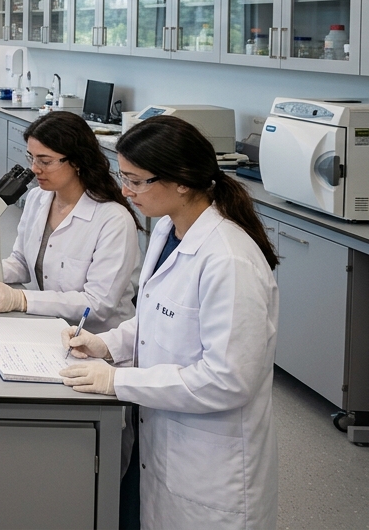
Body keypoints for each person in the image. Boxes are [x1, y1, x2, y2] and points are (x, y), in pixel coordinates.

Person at [61, 115, 279, 529]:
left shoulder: (228, 260)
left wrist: (118, 381)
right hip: (163, 435)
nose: (125, 191)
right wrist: (109, 345)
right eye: (122, 176)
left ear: (181, 181)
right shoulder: (167, 230)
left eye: (137, 180)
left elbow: (229, 380)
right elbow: (157, 317)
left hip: (210, 468)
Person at [0, 111, 140, 333]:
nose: (34, 169)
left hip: (99, 341)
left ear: (77, 161)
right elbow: (21, 263)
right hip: (50, 327)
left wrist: (21, 299)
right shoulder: (38, 198)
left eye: (45, 161)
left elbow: (98, 304)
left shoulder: (113, 220)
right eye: (31, 158)